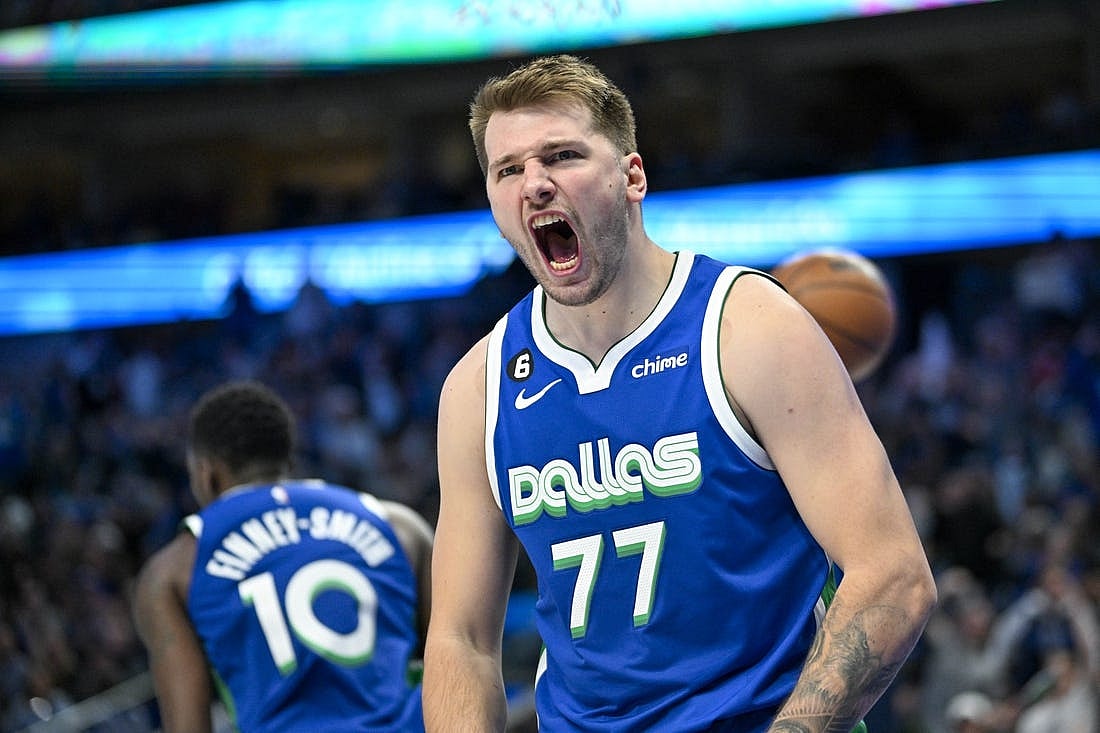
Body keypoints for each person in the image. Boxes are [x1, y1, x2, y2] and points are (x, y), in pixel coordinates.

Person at [422, 54, 937, 732]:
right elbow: (460, 638)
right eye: (508, 169)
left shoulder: (749, 327)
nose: (535, 185)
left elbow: (894, 575)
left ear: (632, 176)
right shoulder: (478, 386)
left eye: (562, 156)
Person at [133, 380, 433, 732]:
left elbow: (188, 727)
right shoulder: (398, 525)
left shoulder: (171, 571)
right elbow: (463, 664)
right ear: (289, 462)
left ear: (206, 473)